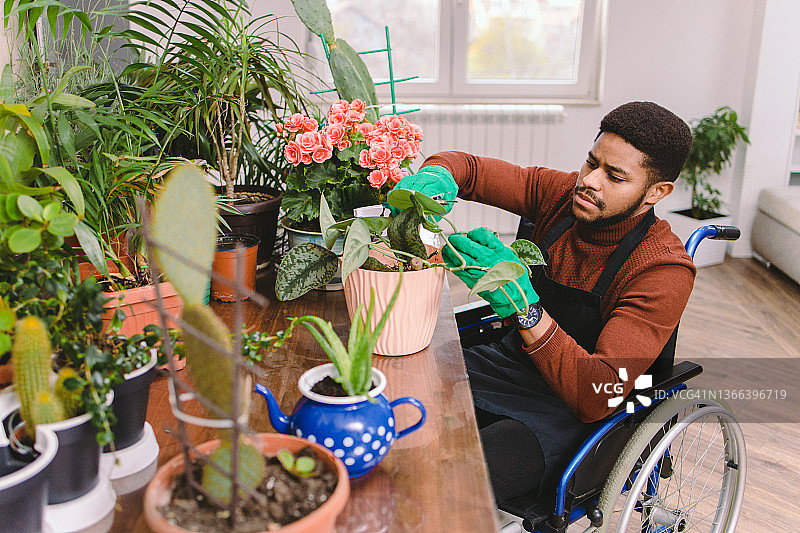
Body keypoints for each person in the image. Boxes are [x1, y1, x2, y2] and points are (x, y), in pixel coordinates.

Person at [391, 101, 696, 507]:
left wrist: (526, 308)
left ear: (656, 192)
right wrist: (436, 176)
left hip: (575, 415)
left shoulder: (662, 269)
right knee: (382, 409)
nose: (590, 181)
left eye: (614, 176)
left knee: (445, 483)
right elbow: (469, 168)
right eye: (592, 162)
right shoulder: (560, 194)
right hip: (508, 366)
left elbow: (596, 394)